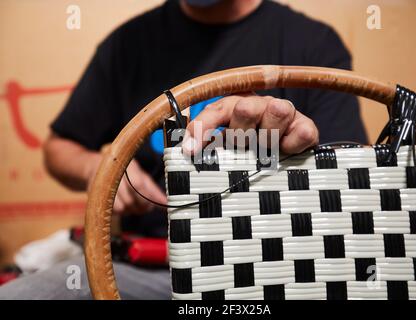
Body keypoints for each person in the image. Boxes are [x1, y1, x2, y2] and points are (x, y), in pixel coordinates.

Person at [0, 0, 367, 299]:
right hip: (153, 267)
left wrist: (293, 142)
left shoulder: (311, 44)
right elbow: (60, 147)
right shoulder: (127, 45)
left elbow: (351, 186)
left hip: (286, 263)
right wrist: (98, 167)